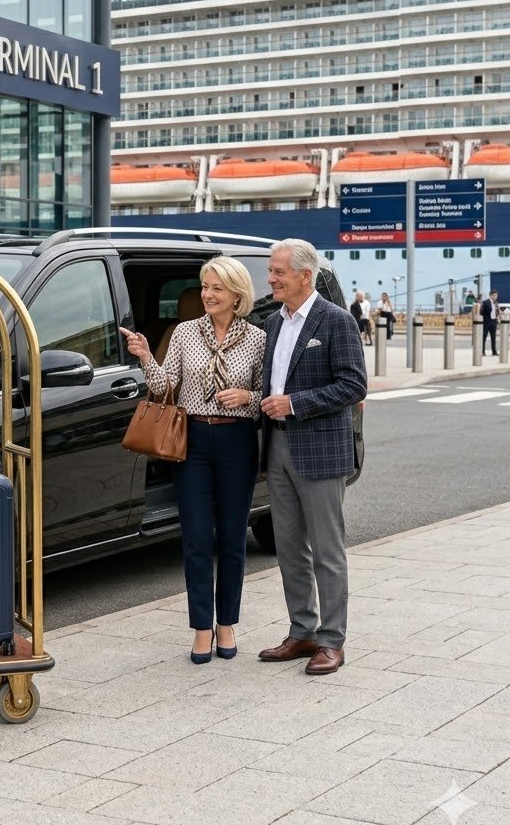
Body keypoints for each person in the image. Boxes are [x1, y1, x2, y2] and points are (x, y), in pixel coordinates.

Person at [121, 257, 265, 664]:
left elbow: (265, 395)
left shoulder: (258, 339)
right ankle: (202, 627)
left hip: (238, 440)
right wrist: (146, 356)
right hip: (194, 440)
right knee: (197, 537)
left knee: (233, 538)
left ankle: (227, 624)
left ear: (237, 295)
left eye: (217, 288)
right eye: (205, 287)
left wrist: (246, 397)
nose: (207, 295)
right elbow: (165, 387)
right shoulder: (185, 332)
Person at [258, 239, 367, 675]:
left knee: (327, 550)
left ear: (305, 275)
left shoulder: (337, 320)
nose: (270, 278)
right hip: (277, 446)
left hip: (320, 449)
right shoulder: (272, 322)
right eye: (271, 271)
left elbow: (353, 385)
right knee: (288, 548)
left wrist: (294, 403)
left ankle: (332, 640)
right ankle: (302, 631)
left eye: (278, 271)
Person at [481, 290, 499, 356]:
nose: (496, 297)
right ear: (491, 295)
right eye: (494, 295)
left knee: (493, 338)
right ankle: (482, 351)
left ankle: (494, 352)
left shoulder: (496, 303)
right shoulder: (485, 302)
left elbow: (497, 312)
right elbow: (481, 312)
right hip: (486, 322)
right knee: (484, 337)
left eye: (496, 295)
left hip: (494, 322)